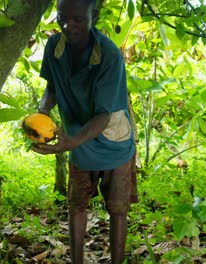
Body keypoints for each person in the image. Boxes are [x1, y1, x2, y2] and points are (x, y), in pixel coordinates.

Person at [31, 0, 138, 263]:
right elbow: (53, 88)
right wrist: (42, 112)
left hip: (113, 141)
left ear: (95, 15)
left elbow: (104, 114)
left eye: (78, 19)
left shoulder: (109, 55)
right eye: (62, 18)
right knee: (77, 206)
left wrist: (72, 142)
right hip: (78, 140)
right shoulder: (54, 47)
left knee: (117, 209)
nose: (69, 25)